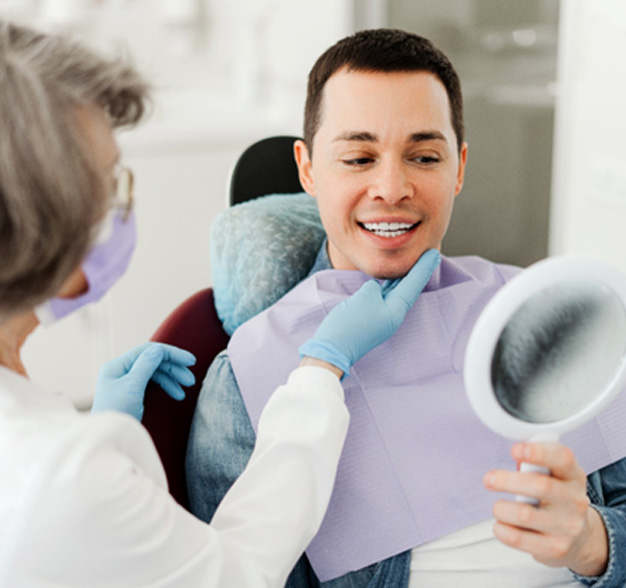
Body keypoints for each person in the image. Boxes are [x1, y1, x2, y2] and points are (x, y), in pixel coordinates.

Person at [0, 21, 442, 587]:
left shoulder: (63, 463)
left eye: (425, 156)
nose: (392, 186)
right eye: (109, 186)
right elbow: (237, 574)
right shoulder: (64, 472)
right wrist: (321, 369)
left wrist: (106, 431)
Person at [186, 28, 626, 587]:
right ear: (308, 169)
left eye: (423, 156)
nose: (391, 187)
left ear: (459, 167)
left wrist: (595, 545)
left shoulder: (548, 322)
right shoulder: (248, 381)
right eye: (358, 156)